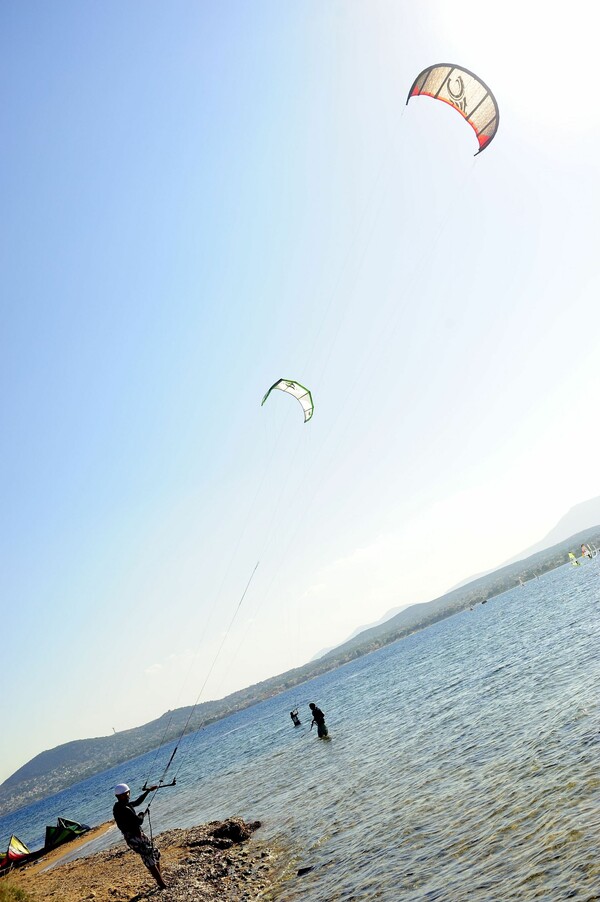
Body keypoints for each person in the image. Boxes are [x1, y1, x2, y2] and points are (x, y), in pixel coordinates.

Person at [113, 783, 166, 890]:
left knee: (155, 852)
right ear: (123, 795)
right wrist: (143, 813)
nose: (129, 795)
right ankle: (161, 884)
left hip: (138, 834)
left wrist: (148, 791)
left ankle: (159, 879)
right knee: (148, 856)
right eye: (127, 793)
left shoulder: (120, 805)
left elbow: (137, 802)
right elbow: (139, 821)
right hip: (133, 838)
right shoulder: (124, 808)